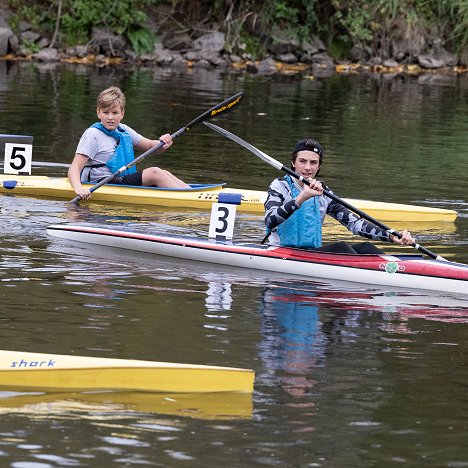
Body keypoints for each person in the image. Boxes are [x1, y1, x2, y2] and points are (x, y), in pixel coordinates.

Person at [264, 138, 415, 254]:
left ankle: (393, 271)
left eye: (313, 162)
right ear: (293, 163)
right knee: (341, 247)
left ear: (319, 166)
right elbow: (270, 220)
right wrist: (301, 198)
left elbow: (355, 224)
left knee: (366, 248)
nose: (308, 167)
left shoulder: (324, 192)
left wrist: (391, 235)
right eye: (302, 161)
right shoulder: (280, 186)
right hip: (281, 252)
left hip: (311, 255)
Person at [68, 86, 189, 200]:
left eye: (115, 113)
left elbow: (151, 146)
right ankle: (190, 199)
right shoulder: (92, 135)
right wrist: (79, 189)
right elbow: (75, 167)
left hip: (120, 179)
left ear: (122, 113)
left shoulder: (124, 130)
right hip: (101, 183)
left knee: (164, 173)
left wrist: (163, 142)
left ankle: (192, 193)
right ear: (98, 112)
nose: (110, 117)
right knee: (155, 172)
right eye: (106, 112)